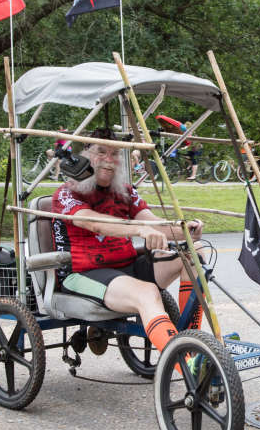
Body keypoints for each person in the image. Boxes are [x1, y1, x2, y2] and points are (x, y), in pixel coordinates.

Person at [51, 129, 206, 361]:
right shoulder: (65, 193)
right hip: (84, 273)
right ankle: (185, 363)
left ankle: (191, 339)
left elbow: (154, 224)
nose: (109, 159)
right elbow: (94, 223)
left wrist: (185, 230)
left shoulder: (125, 192)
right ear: (84, 156)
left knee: (196, 252)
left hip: (127, 268)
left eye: (115, 153)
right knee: (148, 292)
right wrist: (138, 229)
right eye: (101, 151)